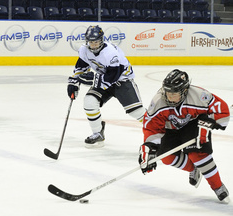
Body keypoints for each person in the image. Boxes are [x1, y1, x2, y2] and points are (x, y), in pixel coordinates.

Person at [139, 69, 230, 202]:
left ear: (185, 90)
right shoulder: (158, 101)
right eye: (167, 92)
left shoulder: (199, 95)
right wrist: (150, 146)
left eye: (174, 93)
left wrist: (208, 123)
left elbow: (222, 111)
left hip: (194, 125)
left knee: (197, 154)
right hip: (171, 129)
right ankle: (194, 169)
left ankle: (217, 186)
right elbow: (152, 127)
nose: (169, 97)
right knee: (166, 157)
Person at [67, 25, 145, 148]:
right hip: (104, 79)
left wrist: (93, 79)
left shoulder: (110, 52)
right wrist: (73, 82)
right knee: (89, 102)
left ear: (101, 40)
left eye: (96, 42)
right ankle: (98, 133)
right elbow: (81, 66)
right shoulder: (84, 50)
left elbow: (114, 74)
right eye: (91, 42)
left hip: (121, 80)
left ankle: (161, 131)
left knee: (136, 112)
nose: (93, 45)